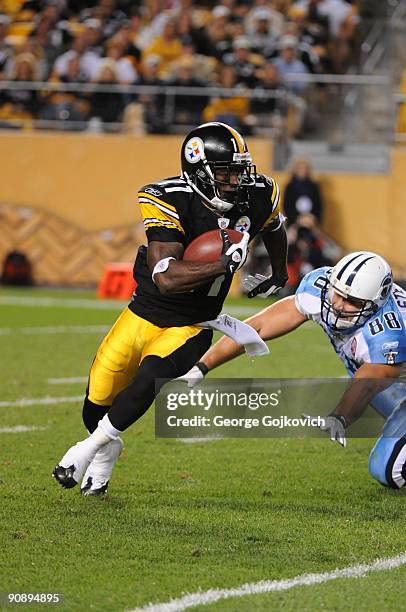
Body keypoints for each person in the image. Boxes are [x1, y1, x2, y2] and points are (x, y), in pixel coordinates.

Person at [53, 121, 289, 495]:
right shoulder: (168, 197)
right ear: (199, 171)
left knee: (150, 377)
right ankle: (105, 448)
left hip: (192, 323)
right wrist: (222, 263)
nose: (238, 180)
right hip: (144, 312)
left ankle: (87, 449)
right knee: (95, 403)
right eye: (227, 171)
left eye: (240, 170)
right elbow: (165, 275)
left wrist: (279, 272)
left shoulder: (257, 195)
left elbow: (274, 226)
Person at [180, 251, 406, 490]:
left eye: (352, 302)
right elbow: (258, 327)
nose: (338, 305)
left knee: (388, 471)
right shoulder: (320, 288)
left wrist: (339, 417)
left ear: (377, 303)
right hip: (391, 380)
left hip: (388, 377)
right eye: (337, 294)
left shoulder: (388, 333)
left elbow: (369, 382)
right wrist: (202, 366)